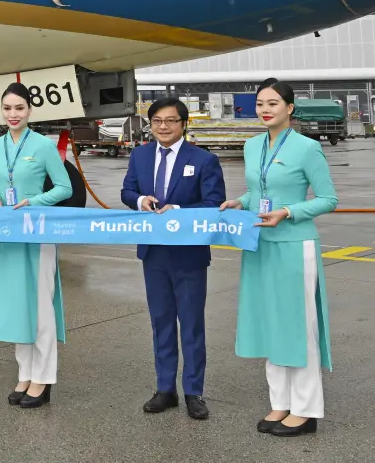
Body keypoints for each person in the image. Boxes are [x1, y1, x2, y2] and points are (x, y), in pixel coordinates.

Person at [221, 78, 339, 437]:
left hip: (293, 244)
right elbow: (260, 189)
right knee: (270, 323)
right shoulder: (252, 145)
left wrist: (288, 212)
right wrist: (241, 202)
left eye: (273, 103)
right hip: (259, 242)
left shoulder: (307, 148)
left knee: (297, 327)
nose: (265, 110)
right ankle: (280, 403)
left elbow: (328, 199)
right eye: (260, 104)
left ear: (289, 108)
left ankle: (305, 409)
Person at [120, 96, 225, 420]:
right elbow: (127, 191)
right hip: (154, 253)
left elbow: (214, 202)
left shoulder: (204, 160)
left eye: (170, 121)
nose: (163, 127)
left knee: (191, 325)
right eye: (157, 122)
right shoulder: (140, 155)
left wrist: (177, 211)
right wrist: (140, 201)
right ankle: (165, 388)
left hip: (189, 255)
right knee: (161, 323)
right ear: (150, 125)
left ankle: (193, 391)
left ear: (183, 124)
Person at [0, 83, 71, 409]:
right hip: (7, 234)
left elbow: (64, 187)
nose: (13, 114)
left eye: (19, 108)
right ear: (1, 111)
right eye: (8, 108)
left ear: (30, 111)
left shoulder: (43, 145)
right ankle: (25, 372)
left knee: (41, 309)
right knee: (18, 306)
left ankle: (43, 378)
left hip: (37, 232)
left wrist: (35, 202)